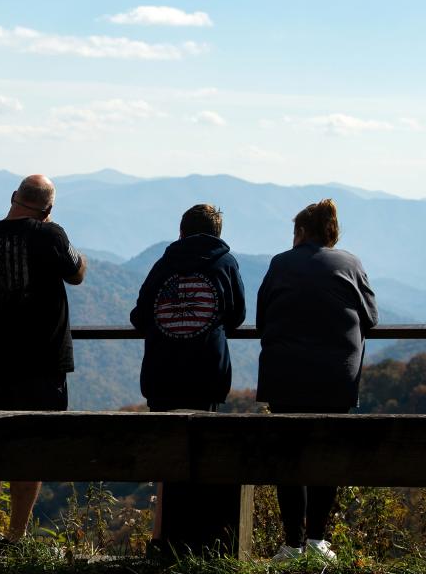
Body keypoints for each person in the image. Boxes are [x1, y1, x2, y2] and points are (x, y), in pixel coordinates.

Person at [0, 174, 86, 552]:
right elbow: (76, 274)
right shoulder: (52, 236)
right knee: (32, 447)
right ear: (48, 208)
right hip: (44, 360)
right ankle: (16, 536)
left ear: (14, 196)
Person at [256, 198, 378, 563]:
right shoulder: (351, 264)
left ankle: (292, 543)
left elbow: (263, 319)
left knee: (289, 457)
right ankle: (317, 541)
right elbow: (371, 316)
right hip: (336, 378)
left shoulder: (280, 263)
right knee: (327, 454)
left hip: (284, 377)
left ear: (301, 232)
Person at [130, 203, 245, 554]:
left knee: (167, 460)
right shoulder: (225, 264)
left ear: (181, 231)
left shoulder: (164, 264)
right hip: (206, 373)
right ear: (218, 233)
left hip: (163, 374)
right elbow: (237, 315)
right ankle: (201, 544)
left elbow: (139, 315)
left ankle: (165, 540)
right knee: (203, 456)